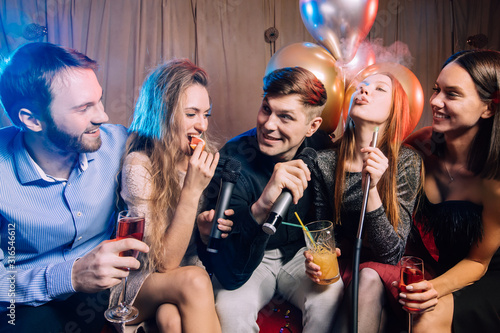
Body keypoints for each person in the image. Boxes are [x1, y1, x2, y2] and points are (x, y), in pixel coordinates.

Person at [0, 42, 148, 332]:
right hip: (29, 304)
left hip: (108, 291)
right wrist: (70, 276)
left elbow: (168, 153)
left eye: (99, 101)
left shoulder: (117, 142)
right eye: (84, 108)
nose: (102, 116)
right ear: (31, 120)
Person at [198, 66, 343, 332]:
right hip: (252, 262)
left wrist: (327, 250)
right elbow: (231, 273)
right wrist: (263, 204)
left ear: (312, 126)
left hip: (301, 254)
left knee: (331, 294)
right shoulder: (232, 162)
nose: (268, 124)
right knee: (229, 308)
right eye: (266, 109)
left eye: (285, 117)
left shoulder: (321, 146)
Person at [109, 59, 232, 333]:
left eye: (206, 114)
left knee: (170, 320)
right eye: (191, 114)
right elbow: (163, 263)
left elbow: (199, 247)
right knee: (196, 281)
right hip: (141, 280)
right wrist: (191, 190)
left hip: (182, 275)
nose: (202, 125)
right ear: (163, 114)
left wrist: (207, 229)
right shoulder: (139, 165)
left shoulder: (204, 159)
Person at [306, 73, 422, 332]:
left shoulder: (406, 161)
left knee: (368, 276)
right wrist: (319, 257)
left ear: (395, 110)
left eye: (380, 89)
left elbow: (391, 254)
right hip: (346, 264)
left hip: (383, 271)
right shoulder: (324, 162)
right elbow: (326, 235)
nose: (364, 91)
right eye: (361, 87)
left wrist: (372, 190)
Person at [401, 49, 500, 333]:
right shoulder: (418, 146)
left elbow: (478, 262)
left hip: (487, 272)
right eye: (437, 90)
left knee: (429, 315)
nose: (435, 101)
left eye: (452, 94)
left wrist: (431, 289)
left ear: (488, 108)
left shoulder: (495, 176)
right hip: (445, 270)